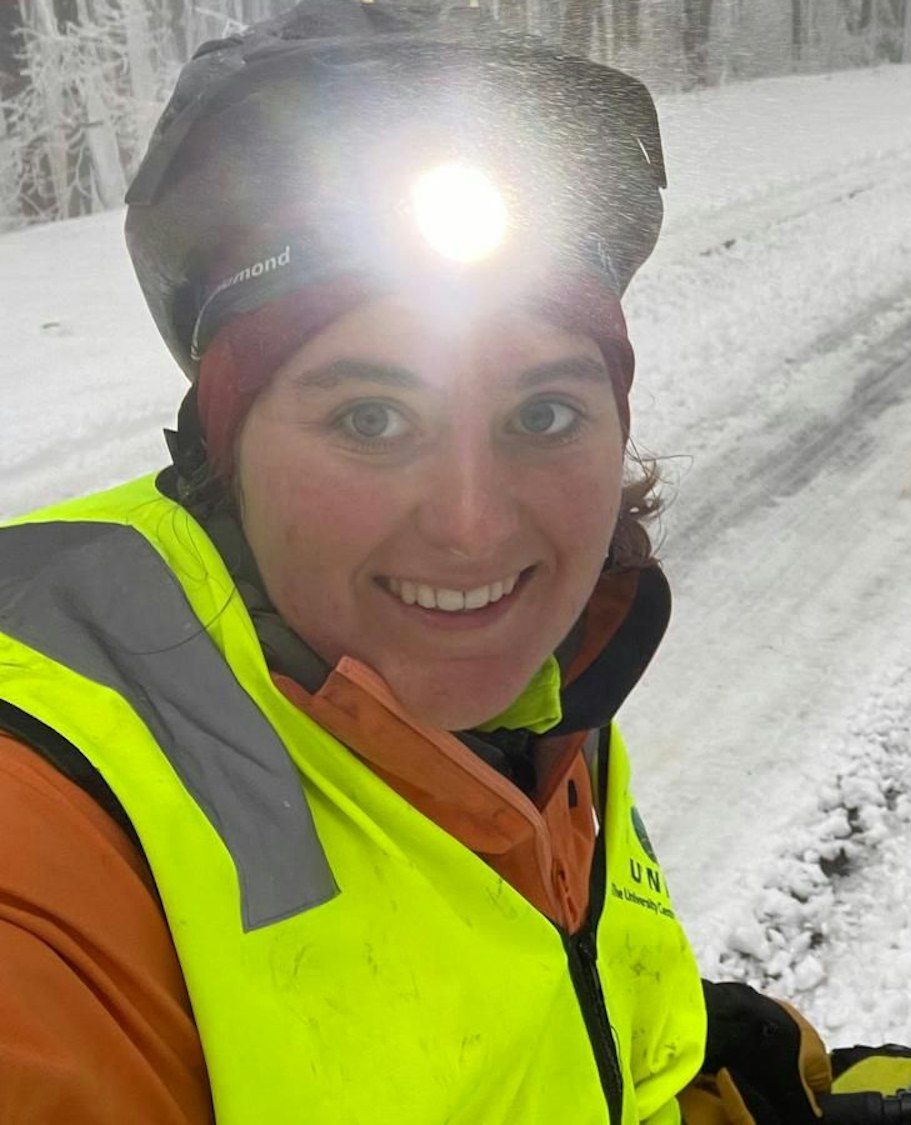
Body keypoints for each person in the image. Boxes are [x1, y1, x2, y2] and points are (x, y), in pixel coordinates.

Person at [0, 0, 832, 1120]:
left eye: (542, 414)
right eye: (371, 421)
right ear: (221, 448)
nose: (475, 530)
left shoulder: (548, 690)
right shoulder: (50, 800)